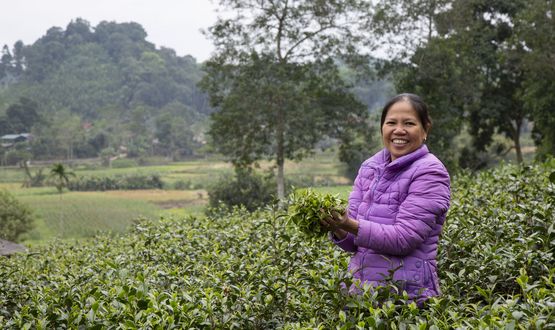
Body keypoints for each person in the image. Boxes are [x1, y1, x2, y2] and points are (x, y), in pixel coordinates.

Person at [321, 93, 451, 305]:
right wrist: (336, 226)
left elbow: (404, 238)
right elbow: (353, 243)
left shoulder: (430, 172)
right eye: (391, 123)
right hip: (363, 295)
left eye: (409, 123)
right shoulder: (370, 168)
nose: (399, 130)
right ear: (382, 128)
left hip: (408, 299)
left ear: (425, 129)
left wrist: (348, 223)